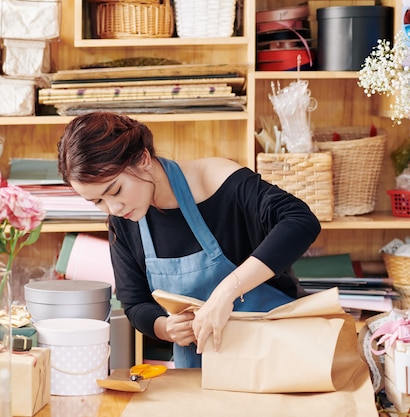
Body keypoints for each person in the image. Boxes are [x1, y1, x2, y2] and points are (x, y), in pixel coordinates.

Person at [57, 111, 321, 368]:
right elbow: (135, 303)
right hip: (200, 368)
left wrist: (226, 293)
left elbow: (300, 221)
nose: (112, 208)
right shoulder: (123, 220)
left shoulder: (217, 180)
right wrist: (166, 328)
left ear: (143, 158)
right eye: (97, 202)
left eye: (115, 190)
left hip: (277, 354)